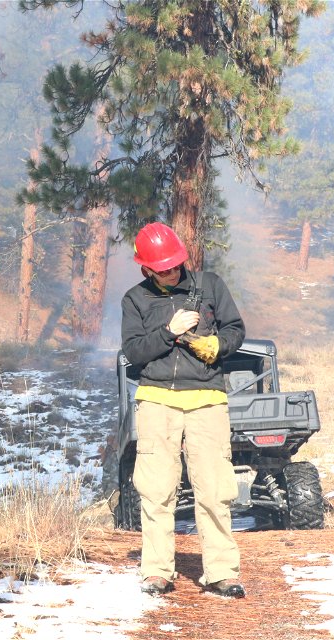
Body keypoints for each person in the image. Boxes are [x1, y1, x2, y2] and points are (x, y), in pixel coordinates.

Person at [120, 221, 247, 598]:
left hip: (207, 400)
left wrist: (217, 345)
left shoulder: (210, 286)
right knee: (156, 490)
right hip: (157, 400)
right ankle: (157, 571)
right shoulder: (134, 300)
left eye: (175, 265)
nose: (171, 272)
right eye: (162, 269)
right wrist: (168, 332)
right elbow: (134, 353)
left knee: (215, 489)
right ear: (146, 269)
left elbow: (236, 330)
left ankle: (222, 572)